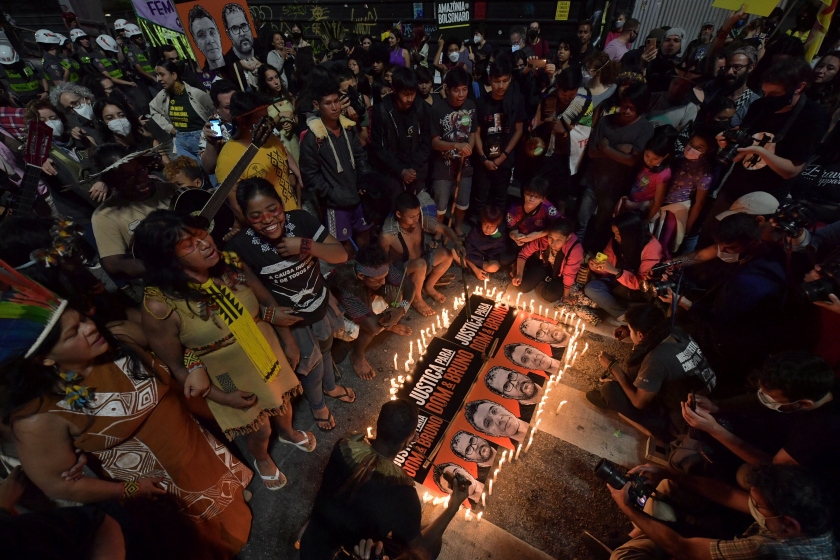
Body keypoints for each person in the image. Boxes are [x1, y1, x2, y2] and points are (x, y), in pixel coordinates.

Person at [0, 264, 253, 560]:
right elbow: (58, 483)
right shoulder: (39, 418)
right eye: (73, 334)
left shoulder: (120, 339)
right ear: (44, 360)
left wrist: (194, 368)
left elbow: (176, 346)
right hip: (160, 488)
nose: (90, 327)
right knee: (204, 544)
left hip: (202, 451)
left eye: (82, 319)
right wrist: (130, 490)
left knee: (234, 514)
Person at [137, 210, 314, 491]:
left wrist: (288, 341)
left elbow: (264, 299)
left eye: (201, 234)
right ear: (168, 259)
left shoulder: (229, 264)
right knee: (260, 427)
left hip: (265, 350)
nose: (205, 243)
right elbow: (176, 366)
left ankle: (289, 433)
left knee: (283, 402)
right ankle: (262, 458)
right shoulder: (160, 305)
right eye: (189, 244)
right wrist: (222, 397)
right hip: (226, 376)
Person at [227, 178, 356, 431]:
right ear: (245, 217)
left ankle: (330, 388)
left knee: (327, 346)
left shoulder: (300, 220)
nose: (268, 219)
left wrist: (306, 245)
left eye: (273, 209)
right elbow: (249, 292)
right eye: (256, 215)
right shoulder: (239, 246)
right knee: (311, 365)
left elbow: (340, 255)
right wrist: (273, 319)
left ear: (281, 204)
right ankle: (318, 405)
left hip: (319, 305)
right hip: (293, 322)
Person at [301, 400, 471, 560]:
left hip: (312, 542)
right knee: (433, 545)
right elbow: (421, 549)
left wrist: (400, 440)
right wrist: (453, 506)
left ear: (379, 425)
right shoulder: (403, 494)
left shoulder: (344, 446)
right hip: (347, 555)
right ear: (408, 440)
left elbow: (374, 453)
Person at [683, 352, 840, 503]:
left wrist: (714, 429)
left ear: (804, 403)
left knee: (743, 475)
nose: (764, 398)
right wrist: (716, 406)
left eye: (772, 399)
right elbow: (761, 399)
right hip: (780, 437)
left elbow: (774, 466)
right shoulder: (818, 385)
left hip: (806, 481)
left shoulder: (818, 431)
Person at [597, 463, 836, 560]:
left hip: (694, 549)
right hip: (728, 538)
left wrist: (628, 507)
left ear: (789, 524)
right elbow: (730, 495)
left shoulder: (766, 549)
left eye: (759, 505)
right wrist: (670, 472)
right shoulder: (811, 519)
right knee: (670, 488)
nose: (753, 506)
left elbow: (683, 547)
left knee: (624, 556)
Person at [664, 213, 788, 389]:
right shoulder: (758, 254)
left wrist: (685, 303)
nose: (722, 251)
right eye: (720, 246)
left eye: (729, 247)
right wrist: (669, 265)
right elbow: (700, 256)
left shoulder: (748, 283)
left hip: (733, 345)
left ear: (752, 244)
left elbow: (721, 324)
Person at [710, 57, 829, 217]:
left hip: (764, 201)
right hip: (733, 189)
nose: (768, 99)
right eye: (765, 92)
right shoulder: (759, 105)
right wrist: (728, 144)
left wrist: (761, 152)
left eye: (775, 94)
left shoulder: (814, 116)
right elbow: (738, 156)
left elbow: (791, 171)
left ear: (799, 87)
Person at [588, 304, 716, 442]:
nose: (629, 333)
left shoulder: (655, 359)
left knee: (609, 390)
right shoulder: (676, 330)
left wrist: (614, 367)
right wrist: (631, 330)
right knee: (636, 374)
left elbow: (639, 403)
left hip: (685, 422)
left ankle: (663, 433)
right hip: (708, 396)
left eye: (631, 330)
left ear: (641, 335)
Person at [577, 82, 654, 248]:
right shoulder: (605, 121)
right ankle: (574, 252)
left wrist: (605, 148)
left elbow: (633, 161)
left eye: (632, 108)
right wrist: (621, 151)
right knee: (581, 222)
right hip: (593, 181)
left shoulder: (645, 129)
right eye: (624, 106)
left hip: (615, 189)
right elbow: (591, 152)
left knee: (602, 226)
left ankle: (592, 256)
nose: (626, 111)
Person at [300, 75, 371, 250]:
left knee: (365, 234)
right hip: (335, 204)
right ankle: (348, 275)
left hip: (357, 196)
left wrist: (364, 181)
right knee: (342, 244)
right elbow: (310, 175)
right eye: (328, 103)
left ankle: (364, 269)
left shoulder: (348, 128)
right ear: (317, 105)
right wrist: (331, 194)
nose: (334, 107)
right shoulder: (313, 137)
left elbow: (360, 156)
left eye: (337, 101)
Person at [90, 144, 176, 279]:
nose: (140, 178)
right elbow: (114, 265)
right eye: (127, 177)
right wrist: (166, 265)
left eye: (140, 169)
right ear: (112, 182)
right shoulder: (104, 216)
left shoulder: (170, 190)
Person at [327, 244, 414, 378]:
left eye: (385, 276)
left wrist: (401, 308)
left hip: (365, 300)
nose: (384, 281)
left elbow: (408, 285)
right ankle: (357, 356)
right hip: (340, 314)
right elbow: (373, 327)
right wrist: (394, 312)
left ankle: (389, 323)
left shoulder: (379, 268)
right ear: (361, 276)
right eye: (378, 280)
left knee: (395, 293)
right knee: (366, 328)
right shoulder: (346, 286)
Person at [217, 91, 301, 223]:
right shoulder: (228, 157)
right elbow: (237, 207)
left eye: (268, 117)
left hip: (293, 217)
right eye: (261, 119)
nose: (268, 123)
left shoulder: (270, 138)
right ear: (242, 121)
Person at [379, 192, 465, 315]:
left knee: (447, 254)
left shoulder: (420, 221)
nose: (416, 219)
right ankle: (416, 299)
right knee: (420, 264)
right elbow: (382, 262)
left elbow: (445, 229)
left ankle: (428, 287)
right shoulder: (387, 235)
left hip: (422, 260)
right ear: (398, 214)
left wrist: (457, 242)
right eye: (412, 216)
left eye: (418, 214)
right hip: (402, 271)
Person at [650, 128, 719, 257]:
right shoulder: (680, 158)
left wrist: (686, 228)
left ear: (709, 150)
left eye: (699, 147)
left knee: (662, 244)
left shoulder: (704, 174)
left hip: (676, 208)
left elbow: (699, 204)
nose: (691, 149)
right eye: (691, 143)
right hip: (659, 201)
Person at [585, 212, 664, 321]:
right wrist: (596, 266)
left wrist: (617, 272)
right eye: (614, 233)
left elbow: (642, 283)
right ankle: (622, 314)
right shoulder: (615, 242)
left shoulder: (650, 247)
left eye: (618, 234)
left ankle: (625, 312)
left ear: (629, 233)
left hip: (637, 291)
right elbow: (607, 267)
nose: (616, 238)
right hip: (616, 283)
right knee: (591, 288)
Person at [474, 56, 526, 215]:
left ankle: (497, 229)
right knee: (480, 196)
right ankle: (478, 228)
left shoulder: (516, 101)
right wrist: (483, 158)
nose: (501, 86)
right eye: (497, 81)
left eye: (505, 81)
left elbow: (519, 130)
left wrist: (503, 156)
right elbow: (476, 132)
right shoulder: (481, 102)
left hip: (504, 159)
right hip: (484, 159)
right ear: (490, 79)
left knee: (500, 197)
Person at [369, 67, 430, 198]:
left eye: (412, 93)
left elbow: (426, 142)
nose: (410, 99)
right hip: (391, 174)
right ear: (394, 90)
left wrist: (413, 168)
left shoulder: (421, 107)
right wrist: (400, 170)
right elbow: (378, 147)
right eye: (406, 94)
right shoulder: (382, 110)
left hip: (416, 171)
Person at [429, 66, 476, 231]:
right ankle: (440, 230)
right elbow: (435, 142)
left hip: (465, 165)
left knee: (462, 202)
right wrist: (456, 145)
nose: (461, 94)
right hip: (443, 166)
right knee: (440, 204)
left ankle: (457, 228)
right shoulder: (437, 109)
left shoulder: (470, 106)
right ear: (447, 89)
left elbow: (472, 132)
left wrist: (469, 146)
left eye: (464, 90)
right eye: (457, 90)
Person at [151, 60, 214, 165]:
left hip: (201, 139)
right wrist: (169, 128)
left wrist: (216, 140)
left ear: (174, 75)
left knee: (211, 175)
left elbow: (216, 114)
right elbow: (153, 109)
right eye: (157, 75)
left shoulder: (197, 95)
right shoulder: (163, 96)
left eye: (162, 75)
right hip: (181, 141)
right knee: (192, 177)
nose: (159, 79)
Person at [513, 217, 583, 304]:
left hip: (560, 275)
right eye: (551, 238)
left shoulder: (575, 249)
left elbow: (569, 274)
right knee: (522, 286)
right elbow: (524, 253)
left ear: (568, 237)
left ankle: (540, 283)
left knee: (551, 295)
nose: (553, 243)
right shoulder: (544, 239)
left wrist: (566, 296)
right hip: (545, 266)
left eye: (558, 240)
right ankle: (541, 280)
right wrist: (519, 274)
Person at [615, 129, 675, 218]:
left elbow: (658, 201)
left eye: (655, 159)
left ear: (666, 156)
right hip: (631, 199)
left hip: (641, 208)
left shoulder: (663, 174)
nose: (649, 161)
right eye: (647, 155)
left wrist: (647, 220)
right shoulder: (643, 162)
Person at [701, 45, 760, 128]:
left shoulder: (753, 102)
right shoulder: (713, 87)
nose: (729, 72)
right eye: (728, 67)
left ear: (750, 68)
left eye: (737, 67)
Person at [199, 79, 237, 176]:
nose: (234, 109)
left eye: (236, 103)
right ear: (216, 106)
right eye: (228, 107)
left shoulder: (251, 114)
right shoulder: (211, 129)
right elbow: (208, 168)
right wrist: (211, 145)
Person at [92, 97, 157, 153]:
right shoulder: (109, 152)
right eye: (110, 118)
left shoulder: (147, 140)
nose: (118, 120)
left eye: (121, 115)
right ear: (102, 122)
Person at [221, 3, 259, 90]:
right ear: (228, 34)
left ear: (249, 26)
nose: (242, 33)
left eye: (244, 26)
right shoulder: (229, 60)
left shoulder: (260, 46)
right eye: (234, 29)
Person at [464, 205, 507, 280]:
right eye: (485, 224)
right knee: (455, 252)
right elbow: (467, 248)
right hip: (474, 256)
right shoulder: (476, 231)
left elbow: (498, 250)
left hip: (488, 259)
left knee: (493, 267)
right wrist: (476, 270)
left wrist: (488, 259)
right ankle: (476, 270)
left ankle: (475, 267)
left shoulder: (499, 234)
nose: (487, 229)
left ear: (497, 225)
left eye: (492, 226)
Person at [188, 5, 225, 71]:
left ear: (218, 34)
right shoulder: (202, 77)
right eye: (201, 35)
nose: (210, 40)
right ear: (196, 43)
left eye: (212, 32)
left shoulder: (237, 62)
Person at [124, 24, 157, 95]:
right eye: (136, 36)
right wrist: (152, 77)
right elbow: (139, 69)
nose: (139, 38)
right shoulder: (131, 51)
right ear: (131, 38)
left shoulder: (147, 47)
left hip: (156, 75)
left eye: (140, 35)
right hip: (145, 80)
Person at [807, 50, 840, 118]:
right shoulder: (802, 88)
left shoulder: (836, 102)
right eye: (820, 66)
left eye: (830, 68)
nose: (820, 71)